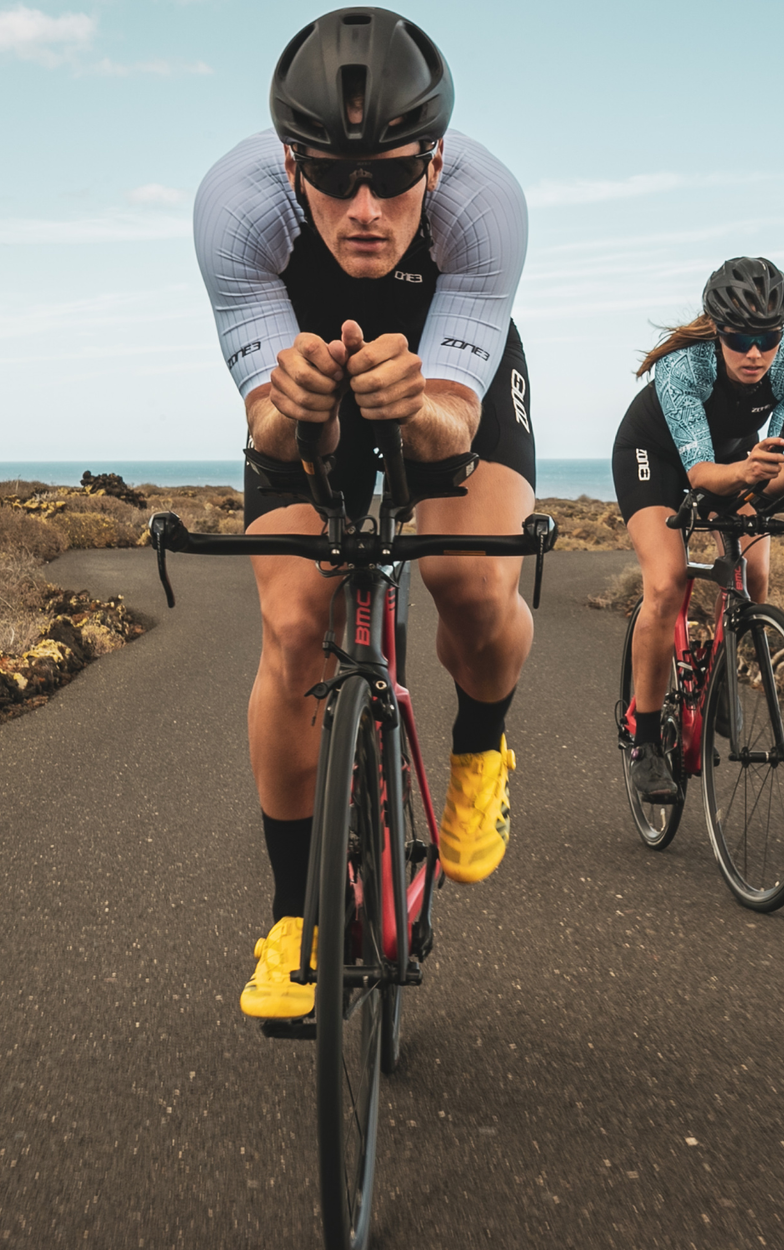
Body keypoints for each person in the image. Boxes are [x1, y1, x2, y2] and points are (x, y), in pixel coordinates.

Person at [192, 7, 535, 1020]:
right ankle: (295, 915)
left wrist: (416, 408)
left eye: (392, 176)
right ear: (289, 164)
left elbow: (455, 426)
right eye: (335, 180)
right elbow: (268, 430)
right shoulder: (234, 211)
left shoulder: (486, 208)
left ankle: (481, 744)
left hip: (444, 374)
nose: (365, 208)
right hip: (307, 376)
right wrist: (297, 409)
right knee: (297, 624)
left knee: (469, 578)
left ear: (436, 159)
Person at [610, 257, 784, 802]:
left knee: (754, 574)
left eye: (768, 338)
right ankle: (644, 740)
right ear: (716, 329)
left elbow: (769, 480)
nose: (755, 353)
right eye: (739, 338)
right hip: (654, 457)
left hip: (733, 457)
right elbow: (702, 476)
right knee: (667, 584)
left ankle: (718, 677)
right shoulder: (684, 367)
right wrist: (750, 473)